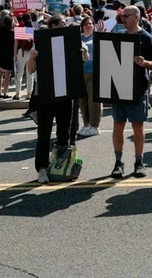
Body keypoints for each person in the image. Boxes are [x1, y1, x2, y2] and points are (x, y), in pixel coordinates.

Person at [28, 15, 89, 183]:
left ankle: (61, 167)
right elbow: (31, 70)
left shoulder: (73, 40)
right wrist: (32, 57)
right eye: (62, 23)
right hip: (45, 94)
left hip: (65, 93)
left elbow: (86, 58)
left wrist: (82, 52)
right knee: (44, 133)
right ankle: (41, 168)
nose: (65, 26)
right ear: (53, 26)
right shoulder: (40, 41)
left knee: (64, 132)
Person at [110, 5, 152, 178]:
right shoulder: (118, 37)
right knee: (118, 125)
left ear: (136, 17)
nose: (122, 19)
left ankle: (139, 162)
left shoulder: (146, 38)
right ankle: (118, 162)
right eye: (122, 16)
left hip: (138, 89)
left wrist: (144, 63)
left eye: (126, 16)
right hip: (119, 87)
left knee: (137, 125)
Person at [77, 16, 102, 136]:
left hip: (93, 71)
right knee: (83, 100)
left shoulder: (96, 36)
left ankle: (94, 125)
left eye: (91, 23)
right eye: (86, 23)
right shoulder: (79, 38)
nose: (89, 25)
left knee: (94, 100)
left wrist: (100, 35)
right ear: (82, 26)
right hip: (81, 71)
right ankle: (86, 124)